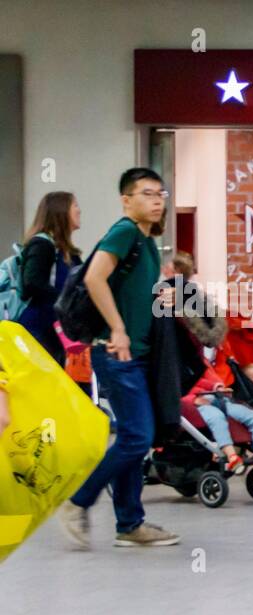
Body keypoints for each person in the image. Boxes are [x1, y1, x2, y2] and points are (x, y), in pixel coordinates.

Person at [56, 167, 180, 549]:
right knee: (137, 435)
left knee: (134, 436)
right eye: (147, 193)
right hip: (115, 351)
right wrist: (118, 329)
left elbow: (131, 292)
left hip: (139, 354)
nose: (157, 200)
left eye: (161, 193)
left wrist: (162, 299)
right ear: (127, 200)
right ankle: (78, 502)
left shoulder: (145, 242)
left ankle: (129, 524)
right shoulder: (125, 231)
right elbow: (94, 277)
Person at [17, 191, 82, 368]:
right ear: (60, 211)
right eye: (74, 205)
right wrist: (65, 299)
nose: (79, 210)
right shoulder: (42, 245)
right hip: (38, 329)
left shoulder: (71, 254)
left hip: (59, 332)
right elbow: (32, 283)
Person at [187, 361, 253, 474]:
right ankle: (232, 456)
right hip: (192, 404)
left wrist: (217, 387)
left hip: (213, 396)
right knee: (217, 418)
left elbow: (199, 381)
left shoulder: (196, 362)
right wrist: (193, 398)